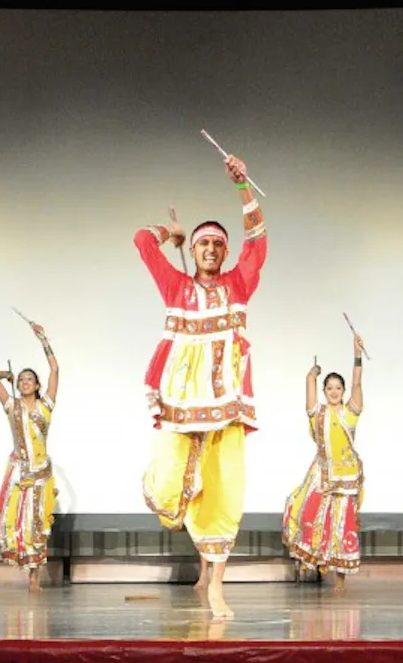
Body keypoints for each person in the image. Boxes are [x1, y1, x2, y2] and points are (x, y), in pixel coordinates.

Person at [137, 155, 264, 620]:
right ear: (192, 251)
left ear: (224, 252)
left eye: (217, 243)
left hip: (227, 404)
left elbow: (258, 239)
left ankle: (215, 586)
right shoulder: (175, 286)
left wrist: (243, 186)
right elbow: (140, 240)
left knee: (225, 488)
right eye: (202, 242)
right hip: (179, 404)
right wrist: (168, 235)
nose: (210, 248)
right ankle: (199, 561)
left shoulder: (239, 283)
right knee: (172, 485)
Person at [282, 334, 366, 593]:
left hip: (346, 479)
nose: (333, 392)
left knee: (343, 526)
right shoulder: (318, 414)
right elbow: (309, 384)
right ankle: (312, 560)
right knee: (307, 513)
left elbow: (357, 382)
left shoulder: (350, 413)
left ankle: (340, 581)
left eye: (337, 388)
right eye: (329, 388)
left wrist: (357, 355)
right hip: (321, 475)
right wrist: (313, 374)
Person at [0, 321, 60, 592]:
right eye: (21, 380)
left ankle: (35, 577)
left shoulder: (46, 406)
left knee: (38, 524)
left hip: (41, 474)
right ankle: (24, 567)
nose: (24, 382)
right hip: (21, 473)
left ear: (37, 384)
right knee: (19, 523)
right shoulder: (12, 406)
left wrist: (43, 339)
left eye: (29, 378)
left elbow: (55, 369)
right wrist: (5, 373)